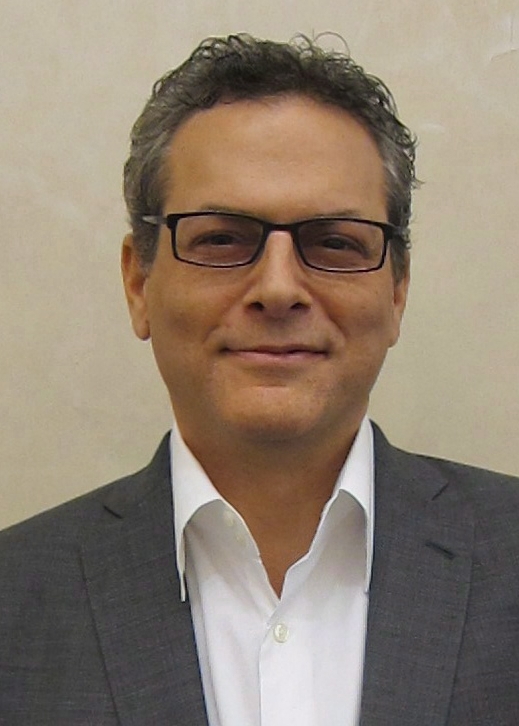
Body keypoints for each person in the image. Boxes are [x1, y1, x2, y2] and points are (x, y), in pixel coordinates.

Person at [0, 33, 518, 726]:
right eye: (221, 238)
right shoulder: (15, 600)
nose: (278, 289)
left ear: (396, 292)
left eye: (334, 242)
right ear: (138, 283)